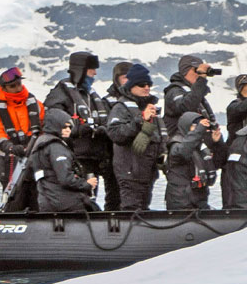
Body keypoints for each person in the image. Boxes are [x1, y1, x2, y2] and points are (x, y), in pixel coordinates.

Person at [44, 52, 111, 202]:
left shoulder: (91, 95)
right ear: (81, 70)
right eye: (91, 69)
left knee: (90, 198)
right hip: (74, 157)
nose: (95, 73)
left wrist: (102, 130)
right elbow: (52, 124)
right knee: (77, 198)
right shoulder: (60, 94)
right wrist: (78, 130)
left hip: (93, 158)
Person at [106, 64, 163, 210]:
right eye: (142, 84)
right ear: (131, 86)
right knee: (131, 210)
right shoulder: (120, 107)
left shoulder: (149, 107)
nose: (147, 88)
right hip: (129, 172)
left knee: (143, 209)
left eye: (149, 84)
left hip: (147, 171)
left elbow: (158, 137)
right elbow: (115, 133)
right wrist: (140, 120)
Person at [0, 66, 44, 209]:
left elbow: (45, 127)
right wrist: (10, 147)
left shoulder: (36, 105)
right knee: (14, 200)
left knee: (37, 197)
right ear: (4, 88)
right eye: (12, 86)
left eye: (19, 84)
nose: (18, 88)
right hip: (10, 161)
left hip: (35, 158)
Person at [28, 108, 99, 212]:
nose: (68, 130)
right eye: (64, 127)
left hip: (46, 201)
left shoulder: (40, 143)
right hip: (65, 202)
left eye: (69, 127)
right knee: (94, 209)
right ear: (55, 126)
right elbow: (66, 179)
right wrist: (87, 184)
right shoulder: (56, 147)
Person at [164, 110, 227, 210]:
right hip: (181, 201)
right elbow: (183, 152)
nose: (199, 130)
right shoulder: (176, 144)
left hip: (199, 200)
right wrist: (199, 130)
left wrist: (218, 143)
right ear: (186, 126)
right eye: (195, 127)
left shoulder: (201, 148)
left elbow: (217, 163)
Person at [94, 61, 131, 210]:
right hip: (112, 155)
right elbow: (107, 127)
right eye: (124, 77)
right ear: (117, 79)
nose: (128, 81)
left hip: (133, 156)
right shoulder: (107, 102)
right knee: (114, 195)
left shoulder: (138, 99)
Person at [163, 54, 219, 138]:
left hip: (196, 142)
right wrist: (201, 80)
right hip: (179, 142)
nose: (199, 74)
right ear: (184, 71)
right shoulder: (174, 90)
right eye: (196, 70)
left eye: (200, 71)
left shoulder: (197, 94)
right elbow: (186, 107)